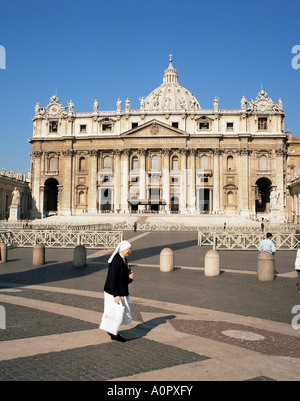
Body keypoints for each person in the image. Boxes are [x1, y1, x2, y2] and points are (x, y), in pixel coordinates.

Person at [100, 240, 133, 342]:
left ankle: (111, 330)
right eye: (128, 250)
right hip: (113, 292)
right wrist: (116, 295)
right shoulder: (116, 261)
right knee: (115, 314)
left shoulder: (123, 259)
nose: (130, 252)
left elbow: (121, 278)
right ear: (123, 249)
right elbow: (112, 279)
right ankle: (114, 334)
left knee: (115, 313)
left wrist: (130, 279)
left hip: (120, 291)